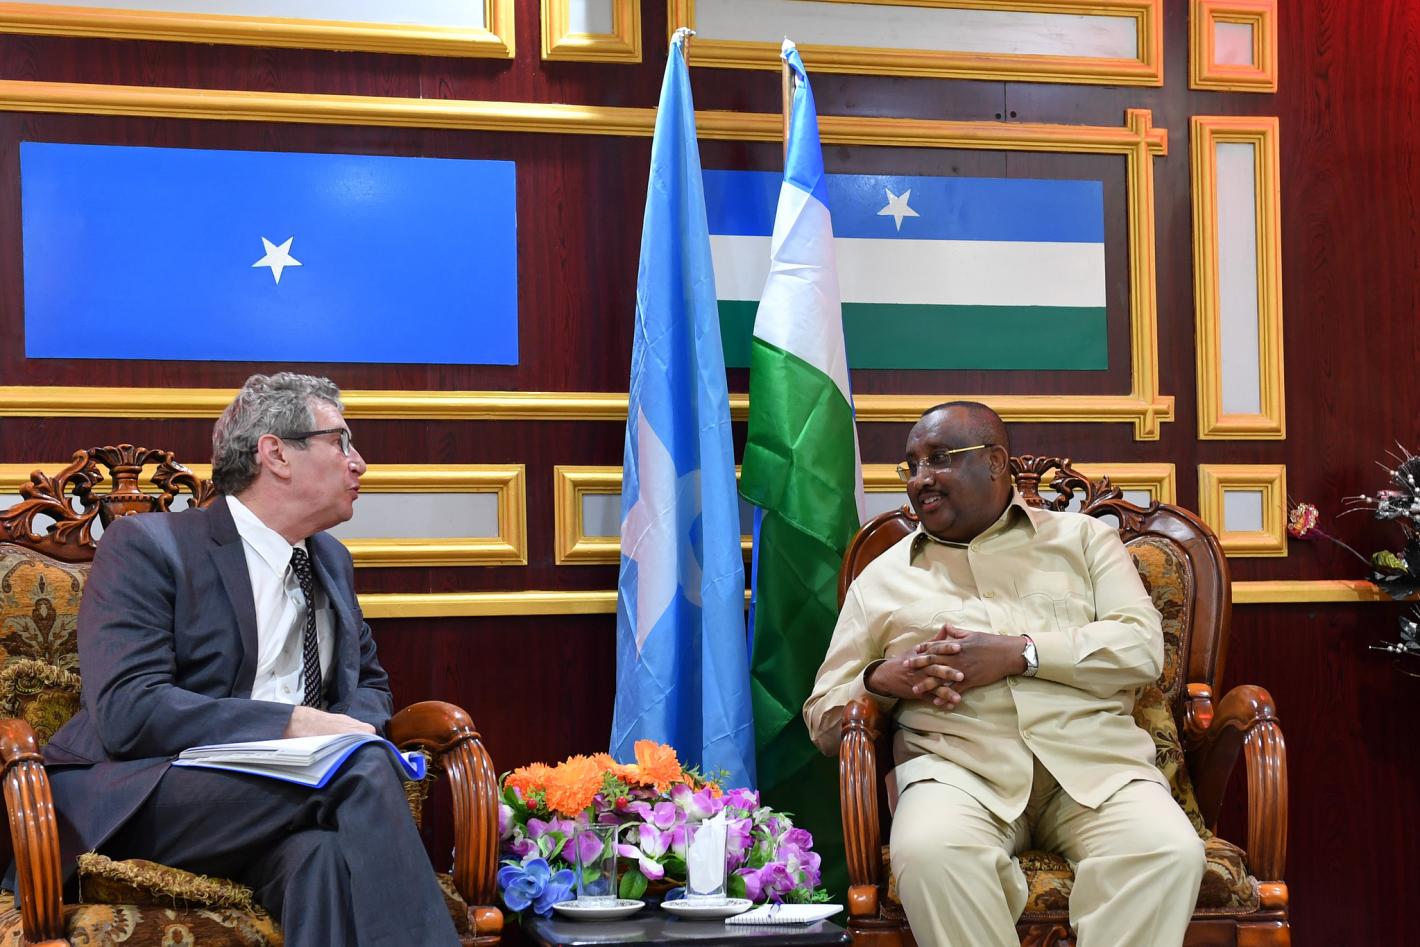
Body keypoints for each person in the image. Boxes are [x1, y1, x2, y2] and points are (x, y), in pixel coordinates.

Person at [39, 373, 460, 946]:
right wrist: (296, 726)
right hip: (146, 791)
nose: (359, 463)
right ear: (276, 453)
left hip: (284, 798)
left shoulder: (330, 559)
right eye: (340, 440)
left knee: (321, 858)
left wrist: (347, 727)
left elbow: (370, 685)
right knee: (359, 769)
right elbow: (128, 712)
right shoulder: (149, 545)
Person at [804, 401, 1204, 947]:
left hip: (1093, 767)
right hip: (959, 774)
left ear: (995, 462)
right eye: (911, 466)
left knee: (1167, 851)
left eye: (939, 459)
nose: (920, 479)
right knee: (930, 853)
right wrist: (880, 680)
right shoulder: (881, 579)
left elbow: (1140, 648)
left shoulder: (1084, 541)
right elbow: (824, 719)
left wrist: (1021, 653)